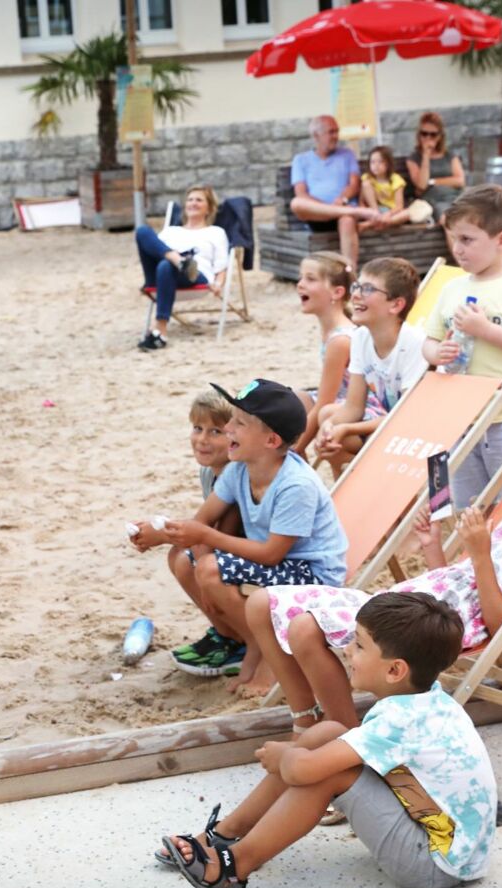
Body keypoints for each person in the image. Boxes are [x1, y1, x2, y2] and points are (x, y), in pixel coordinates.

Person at [247, 427, 502, 732]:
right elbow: (456, 579)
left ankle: (346, 740)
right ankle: (305, 719)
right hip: (411, 604)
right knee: (260, 603)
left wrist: (481, 554)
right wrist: (433, 546)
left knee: (304, 629)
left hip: (429, 625)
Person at [159, 592, 496, 888]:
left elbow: (302, 771)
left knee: (327, 773)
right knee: (331, 732)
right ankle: (224, 835)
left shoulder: (398, 720)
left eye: (360, 645)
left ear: (395, 670)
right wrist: (297, 756)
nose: (348, 650)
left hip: (435, 864)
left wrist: (284, 756)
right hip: (453, 846)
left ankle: (231, 871)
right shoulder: (428, 700)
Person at [141, 380, 348, 700]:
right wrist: (164, 533)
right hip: (277, 563)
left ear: (271, 440)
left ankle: (264, 654)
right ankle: (251, 644)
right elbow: (203, 520)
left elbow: (271, 554)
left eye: (239, 423)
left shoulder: (296, 485)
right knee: (197, 561)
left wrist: (205, 543)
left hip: (310, 572)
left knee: (209, 567)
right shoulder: (240, 470)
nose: (229, 428)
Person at [421, 185, 502, 508]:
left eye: (467, 239)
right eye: (454, 239)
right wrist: (436, 353)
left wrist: (484, 330)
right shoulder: (452, 287)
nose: (457, 249)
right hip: (461, 415)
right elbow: (430, 338)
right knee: (468, 504)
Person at [130, 389, 244, 678]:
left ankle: (238, 639)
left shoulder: (234, 474)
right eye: (197, 428)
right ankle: (227, 633)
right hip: (228, 550)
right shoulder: (210, 471)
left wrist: (162, 534)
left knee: (183, 558)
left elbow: (219, 533)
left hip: (242, 553)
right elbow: (205, 526)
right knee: (181, 554)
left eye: (215, 431)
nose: (203, 439)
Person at [313, 257, 426, 476]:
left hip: (419, 432)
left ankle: (374, 486)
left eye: (368, 289)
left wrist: (346, 428)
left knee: (340, 429)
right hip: (392, 424)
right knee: (328, 417)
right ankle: (348, 494)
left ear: (396, 305)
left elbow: (408, 418)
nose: (355, 294)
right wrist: (330, 428)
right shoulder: (361, 337)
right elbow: (353, 408)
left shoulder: (414, 344)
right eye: (357, 286)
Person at [133, 184, 230, 352]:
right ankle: (179, 260)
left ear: (209, 208)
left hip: (195, 276)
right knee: (142, 231)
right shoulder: (171, 231)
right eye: (190, 200)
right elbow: (153, 249)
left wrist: (219, 283)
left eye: (199, 200)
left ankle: (160, 330)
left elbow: (221, 264)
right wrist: (176, 258)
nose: (193, 203)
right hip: (159, 275)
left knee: (165, 265)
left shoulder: (216, 232)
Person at [289, 115, 379, 267]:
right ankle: (355, 212)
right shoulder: (300, 160)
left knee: (347, 219)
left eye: (337, 131)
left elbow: (354, 184)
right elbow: (301, 194)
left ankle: (351, 274)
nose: (336, 136)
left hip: (344, 212)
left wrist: (343, 199)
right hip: (317, 216)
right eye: (331, 132)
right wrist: (332, 208)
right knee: (296, 203)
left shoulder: (347, 154)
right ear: (316, 135)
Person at [292, 252, 357, 456]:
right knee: (294, 400)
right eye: (301, 277)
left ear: (337, 292)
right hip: (338, 402)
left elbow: (325, 401)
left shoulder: (340, 339)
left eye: (310, 279)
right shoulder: (332, 331)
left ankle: (294, 463)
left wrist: (297, 448)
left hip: (354, 407)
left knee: (314, 416)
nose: (300, 284)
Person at [405, 112, 467, 222]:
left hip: (455, 197)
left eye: (433, 134)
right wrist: (426, 156)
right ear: (419, 135)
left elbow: (460, 181)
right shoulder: (414, 158)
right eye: (424, 134)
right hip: (434, 200)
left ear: (439, 136)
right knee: (448, 219)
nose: (428, 138)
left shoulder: (449, 155)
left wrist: (433, 181)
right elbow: (422, 185)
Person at [358, 145, 433, 230]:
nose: (376, 165)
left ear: (388, 164)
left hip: (392, 212)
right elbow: (362, 202)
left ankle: (369, 225)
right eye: (373, 162)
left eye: (380, 162)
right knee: (366, 184)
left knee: (406, 214)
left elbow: (399, 206)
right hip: (373, 211)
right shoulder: (367, 178)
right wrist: (368, 212)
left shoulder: (396, 180)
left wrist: (388, 214)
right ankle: (377, 220)